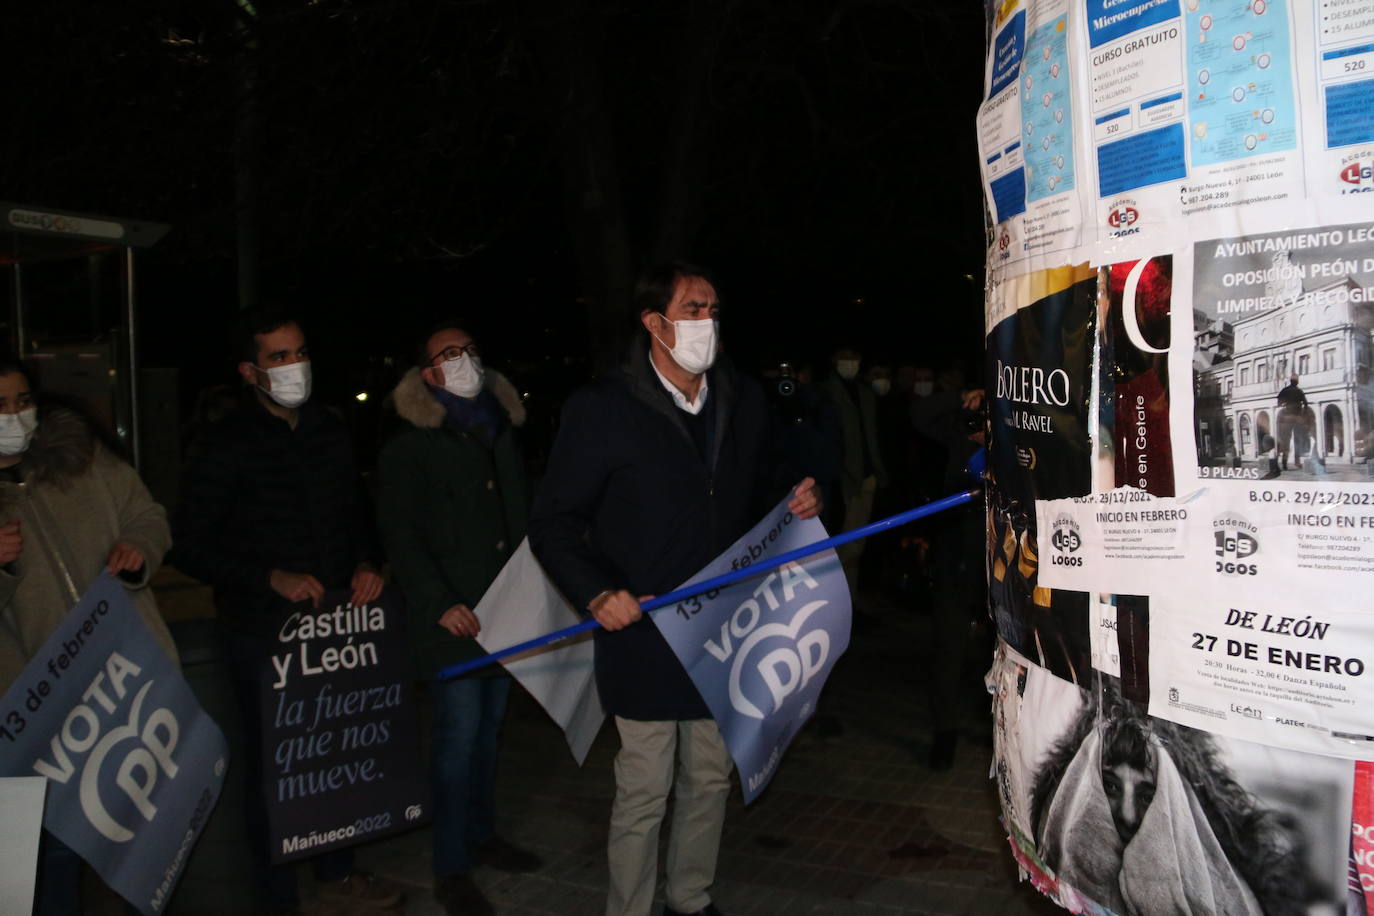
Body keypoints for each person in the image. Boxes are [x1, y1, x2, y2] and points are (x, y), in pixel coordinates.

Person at [528, 262, 821, 916]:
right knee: (644, 788)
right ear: (654, 323)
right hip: (644, 633)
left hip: (725, 629)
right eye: (692, 310)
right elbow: (552, 522)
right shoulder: (602, 409)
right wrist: (598, 592)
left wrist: (797, 496)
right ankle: (629, 908)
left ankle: (690, 896)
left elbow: (767, 479)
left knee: (710, 777)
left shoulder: (741, 399)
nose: (706, 323)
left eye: (713, 309)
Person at [173, 305, 403, 916]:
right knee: (275, 767)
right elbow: (189, 543)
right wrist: (267, 577)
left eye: (300, 352)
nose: (295, 365)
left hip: (336, 624)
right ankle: (276, 897)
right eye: (279, 357)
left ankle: (337, 871)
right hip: (264, 633)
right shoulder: (222, 443)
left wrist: (366, 564)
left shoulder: (329, 428)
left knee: (337, 755)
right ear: (250, 372)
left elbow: (358, 513)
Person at [376, 320, 543, 916]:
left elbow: (519, 518)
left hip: (506, 611)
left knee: (490, 730)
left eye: (471, 348)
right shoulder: (411, 446)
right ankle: (450, 865)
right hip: (455, 618)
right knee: (456, 738)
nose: (466, 359)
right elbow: (401, 534)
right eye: (450, 353)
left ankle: (481, 833)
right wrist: (438, 601)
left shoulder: (499, 430)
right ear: (427, 373)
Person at [0, 356, 176, 915]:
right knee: (52, 848)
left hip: (122, 679)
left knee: (138, 833)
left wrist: (137, 551)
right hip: (35, 704)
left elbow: (148, 514)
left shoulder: (83, 459)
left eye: (22, 400)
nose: (14, 415)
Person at [910, 384, 986, 770]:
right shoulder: (955, 439)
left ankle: (995, 726)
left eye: (984, 420)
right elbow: (919, 415)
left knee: (999, 654)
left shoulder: (1012, 440)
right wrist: (960, 397)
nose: (978, 427)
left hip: (998, 571)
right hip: (954, 562)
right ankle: (945, 733)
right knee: (948, 653)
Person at [821, 346, 888, 607]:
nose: (850, 362)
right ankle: (836, 604)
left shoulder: (864, 392)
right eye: (845, 357)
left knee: (855, 546)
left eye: (854, 357)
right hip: (843, 480)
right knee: (841, 545)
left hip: (866, 477)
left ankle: (849, 602)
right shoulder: (826, 392)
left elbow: (871, 435)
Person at [1276, 374, 1310, 471]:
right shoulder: (1299, 391)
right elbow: (1306, 404)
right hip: (1297, 417)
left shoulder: (1285, 390)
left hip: (1287, 417)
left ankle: (1284, 463)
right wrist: (1303, 412)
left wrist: (1283, 404)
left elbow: (1279, 402)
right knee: (1297, 440)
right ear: (1296, 381)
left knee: (1286, 441)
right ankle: (1297, 462)